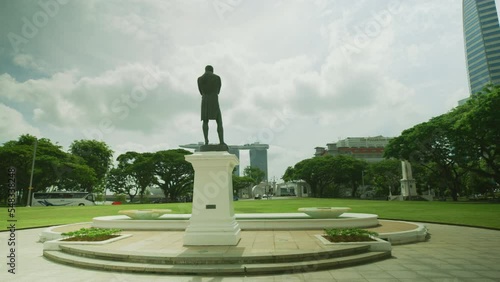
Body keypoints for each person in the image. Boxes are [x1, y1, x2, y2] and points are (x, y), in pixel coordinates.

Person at [198, 65, 224, 145]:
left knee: (205, 121)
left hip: (205, 100)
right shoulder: (217, 78)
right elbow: (218, 91)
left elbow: (200, 92)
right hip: (214, 100)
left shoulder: (200, 79)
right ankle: (221, 141)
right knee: (219, 121)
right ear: (212, 70)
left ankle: (206, 141)